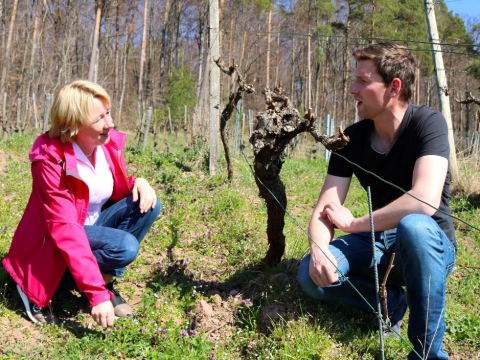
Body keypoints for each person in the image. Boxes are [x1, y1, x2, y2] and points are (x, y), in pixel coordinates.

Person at [297, 42, 456, 360]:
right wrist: (319, 252)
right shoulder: (351, 139)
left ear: (394, 87)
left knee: (414, 226)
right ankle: (391, 302)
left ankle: (426, 354)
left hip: (429, 245)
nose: (352, 89)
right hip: (378, 241)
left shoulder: (429, 124)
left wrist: (354, 224)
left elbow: (424, 201)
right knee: (310, 276)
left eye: (363, 81)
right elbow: (325, 208)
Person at [2, 80, 161, 328]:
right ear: (73, 124)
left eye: (108, 113)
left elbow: (103, 189)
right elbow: (65, 228)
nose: (110, 123)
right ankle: (35, 286)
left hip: (90, 229)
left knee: (149, 204)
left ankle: (103, 280)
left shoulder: (105, 147)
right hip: (53, 242)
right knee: (124, 246)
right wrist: (95, 296)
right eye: (99, 118)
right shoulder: (51, 159)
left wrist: (136, 182)